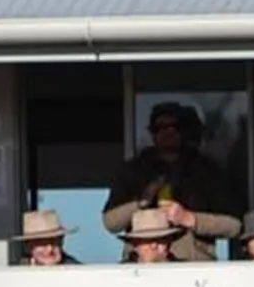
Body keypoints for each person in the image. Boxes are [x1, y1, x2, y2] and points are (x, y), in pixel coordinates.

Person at [103, 101, 240, 262]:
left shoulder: (207, 172)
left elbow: (234, 226)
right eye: (159, 128)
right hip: (141, 268)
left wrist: (191, 219)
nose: (167, 132)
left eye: (174, 126)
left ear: (184, 131)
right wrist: (141, 202)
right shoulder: (133, 171)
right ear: (152, 133)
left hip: (192, 268)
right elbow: (110, 223)